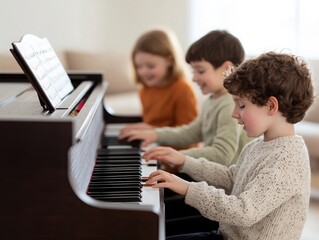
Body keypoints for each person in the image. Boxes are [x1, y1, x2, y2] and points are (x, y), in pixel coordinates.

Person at [143, 51, 314, 240]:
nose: (234, 113)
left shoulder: (287, 160)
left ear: (271, 106)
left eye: (241, 105)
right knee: (154, 229)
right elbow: (232, 178)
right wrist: (184, 161)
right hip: (225, 234)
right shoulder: (258, 145)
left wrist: (188, 188)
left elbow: (244, 211)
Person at [120, 30, 251, 167]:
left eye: (200, 71)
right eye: (193, 71)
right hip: (211, 174)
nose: (194, 78)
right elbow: (191, 132)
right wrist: (155, 134)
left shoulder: (229, 105)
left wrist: (179, 156)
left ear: (227, 68)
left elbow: (222, 155)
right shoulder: (213, 99)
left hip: (225, 184)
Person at [120, 28, 198, 132]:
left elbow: (189, 137)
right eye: (139, 66)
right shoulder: (145, 89)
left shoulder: (182, 90)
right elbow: (152, 123)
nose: (143, 72)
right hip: (153, 143)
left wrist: (153, 131)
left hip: (176, 148)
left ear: (170, 61)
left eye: (150, 66)